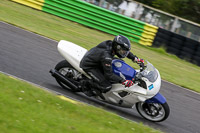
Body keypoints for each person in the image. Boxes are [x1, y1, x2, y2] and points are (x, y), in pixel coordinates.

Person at [80, 35, 144, 96]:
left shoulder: (112, 44)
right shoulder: (107, 56)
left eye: (124, 51)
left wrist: (135, 59)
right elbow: (109, 75)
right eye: (123, 51)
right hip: (90, 66)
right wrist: (123, 81)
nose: (124, 53)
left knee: (120, 62)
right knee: (106, 86)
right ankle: (85, 84)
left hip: (97, 60)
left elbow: (125, 52)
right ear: (117, 47)